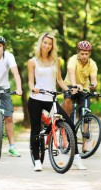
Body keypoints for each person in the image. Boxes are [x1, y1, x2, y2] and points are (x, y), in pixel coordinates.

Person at [27, 32, 86, 171]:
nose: (47, 46)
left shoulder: (56, 61)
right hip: (36, 99)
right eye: (45, 42)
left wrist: (68, 89)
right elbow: (30, 82)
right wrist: (33, 88)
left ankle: (76, 158)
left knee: (69, 125)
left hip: (51, 99)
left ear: (52, 46)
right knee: (35, 131)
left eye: (50, 43)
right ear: (41, 43)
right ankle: (37, 161)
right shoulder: (32, 62)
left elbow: (59, 80)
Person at [62, 40, 98, 153]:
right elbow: (71, 73)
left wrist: (93, 85)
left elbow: (94, 79)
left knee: (86, 114)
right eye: (82, 53)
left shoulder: (92, 64)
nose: (84, 56)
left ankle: (85, 143)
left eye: (86, 54)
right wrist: (74, 85)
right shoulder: (72, 60)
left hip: (84, 88)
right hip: (70, 85)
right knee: (68, 105)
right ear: (78, 52)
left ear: (90, 53)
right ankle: (65, 134)